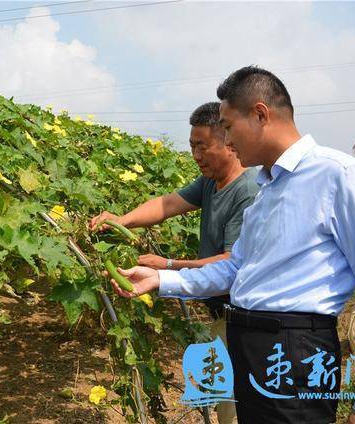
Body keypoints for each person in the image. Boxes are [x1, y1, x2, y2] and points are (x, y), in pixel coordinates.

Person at [107, 66, 355, 424]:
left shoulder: (339, 176)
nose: (227, 141)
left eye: (228, 127)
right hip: (251, 346)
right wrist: (160, 281)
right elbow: (235, 268)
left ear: (260, 114)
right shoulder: (267, 191)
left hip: (293, 352)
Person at [90, 101, 259, 424]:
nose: (195, 155)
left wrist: (167, 265)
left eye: (202, 146)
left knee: (236, 410)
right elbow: (168, 204)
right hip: (222, 318)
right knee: (226, 406)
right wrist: (120, 220)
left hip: (242, 321)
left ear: (228, 142)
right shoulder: (211, 180)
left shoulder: (246, 190)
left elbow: (230, 262)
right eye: (192, 145)